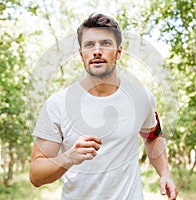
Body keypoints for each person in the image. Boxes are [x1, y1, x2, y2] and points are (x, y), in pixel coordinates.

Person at [29, 13, 178, 200]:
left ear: (119, 52)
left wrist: (165, 173)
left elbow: (153, 136)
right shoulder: (57, 104)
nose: (97, 51)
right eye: (89, 45)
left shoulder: (141, 97)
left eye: (105, 43)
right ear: (80, 54)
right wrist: (69, 157)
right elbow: (35, 175)